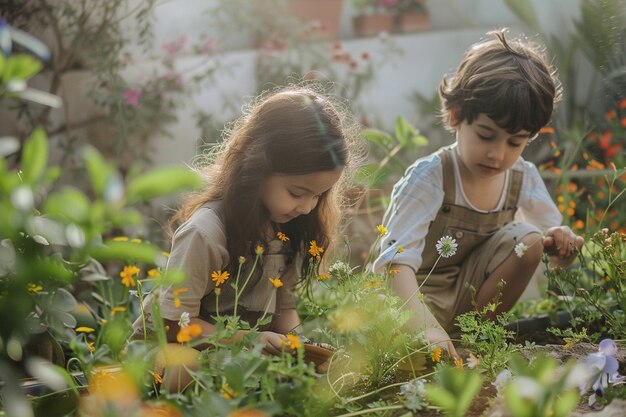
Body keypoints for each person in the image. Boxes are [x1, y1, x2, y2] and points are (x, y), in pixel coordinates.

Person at [373, 29, 584, 358]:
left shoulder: (521, 177)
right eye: (486, 135)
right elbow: (394, 265)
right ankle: (433, 342)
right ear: (457, 116)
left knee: (529, 240)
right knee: (402, 354)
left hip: (469, 307)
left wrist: (562, 247)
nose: (497, 155)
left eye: (515, 142)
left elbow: (548, 252)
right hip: (414, 303)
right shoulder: (431, 177)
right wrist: (424, 327)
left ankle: (468, 337)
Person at [132, 86, 360, 374]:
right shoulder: (206, 234)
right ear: (257, 166)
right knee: (184, 370)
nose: (307, 207)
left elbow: (284, 309)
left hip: (237, 357)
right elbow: (173, 323)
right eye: (297, 192)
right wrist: (249, 340)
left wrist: (298, 345)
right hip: (172, 354)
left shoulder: (288, 228)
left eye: (318, 196)